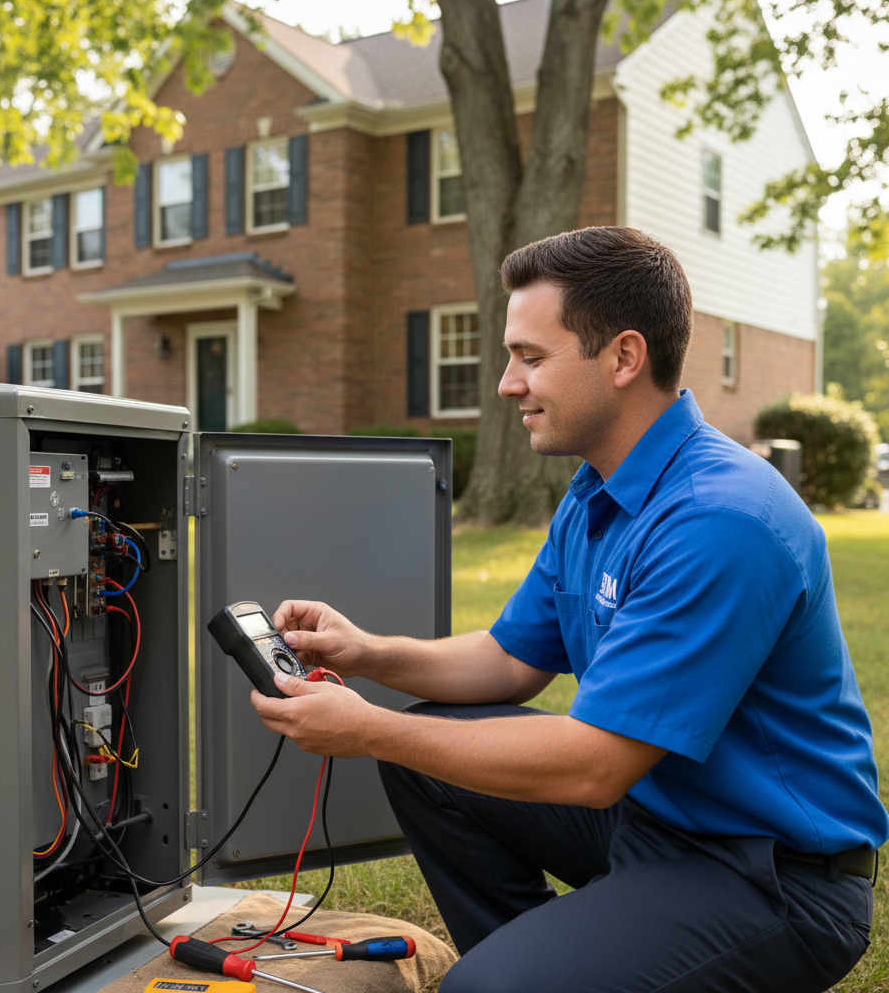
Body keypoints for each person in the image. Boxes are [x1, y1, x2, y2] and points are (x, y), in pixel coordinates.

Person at [249, 227, 887, 993]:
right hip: (658, 821)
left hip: (773, 872)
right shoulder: (598, 490)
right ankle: (555, 959)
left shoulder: (720, 519)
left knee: (479, 982)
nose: (507, 385)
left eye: (531, 356)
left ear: (623, 357)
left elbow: (594, 766)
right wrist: (368, 652)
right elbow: (511, 660)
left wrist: (369, 730)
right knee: (429, 765)